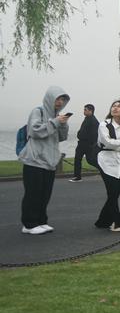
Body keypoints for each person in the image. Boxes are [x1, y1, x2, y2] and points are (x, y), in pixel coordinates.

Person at [18, 86, 70, 235]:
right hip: (34, 160)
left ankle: (41, 221)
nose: (60, 102)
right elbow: (34, 131)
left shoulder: (57, 116)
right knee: (32, 194)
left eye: (62, 100)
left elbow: (61, 137)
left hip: (50, 162)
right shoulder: (38, 111)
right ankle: (28, 224)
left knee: (44, 194)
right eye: (57, 99)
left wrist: (63, 123)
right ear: (50, 98)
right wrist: (54, 122)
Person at [94, 100, 120, 232]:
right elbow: (107, 143)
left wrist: (117, 143)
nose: (115, 108)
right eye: (113, 106)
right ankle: (117, 222)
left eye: (119, 106)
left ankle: (102, 221)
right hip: (106, 162)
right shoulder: (103, 125)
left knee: (115, 194)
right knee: (112, 193)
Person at [70, 103, 99, 182]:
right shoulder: (87, 118)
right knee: (77, 159)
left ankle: (105, 170)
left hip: (87, 145)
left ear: (91, 111)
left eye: (85, 110)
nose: (84, 111)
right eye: (84, 109)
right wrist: (79, 134)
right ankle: (77, 177)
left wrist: (91, 144)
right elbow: (82, 130)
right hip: (81, 144)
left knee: (90, 160)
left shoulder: (94, 121)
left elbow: (94, 135)